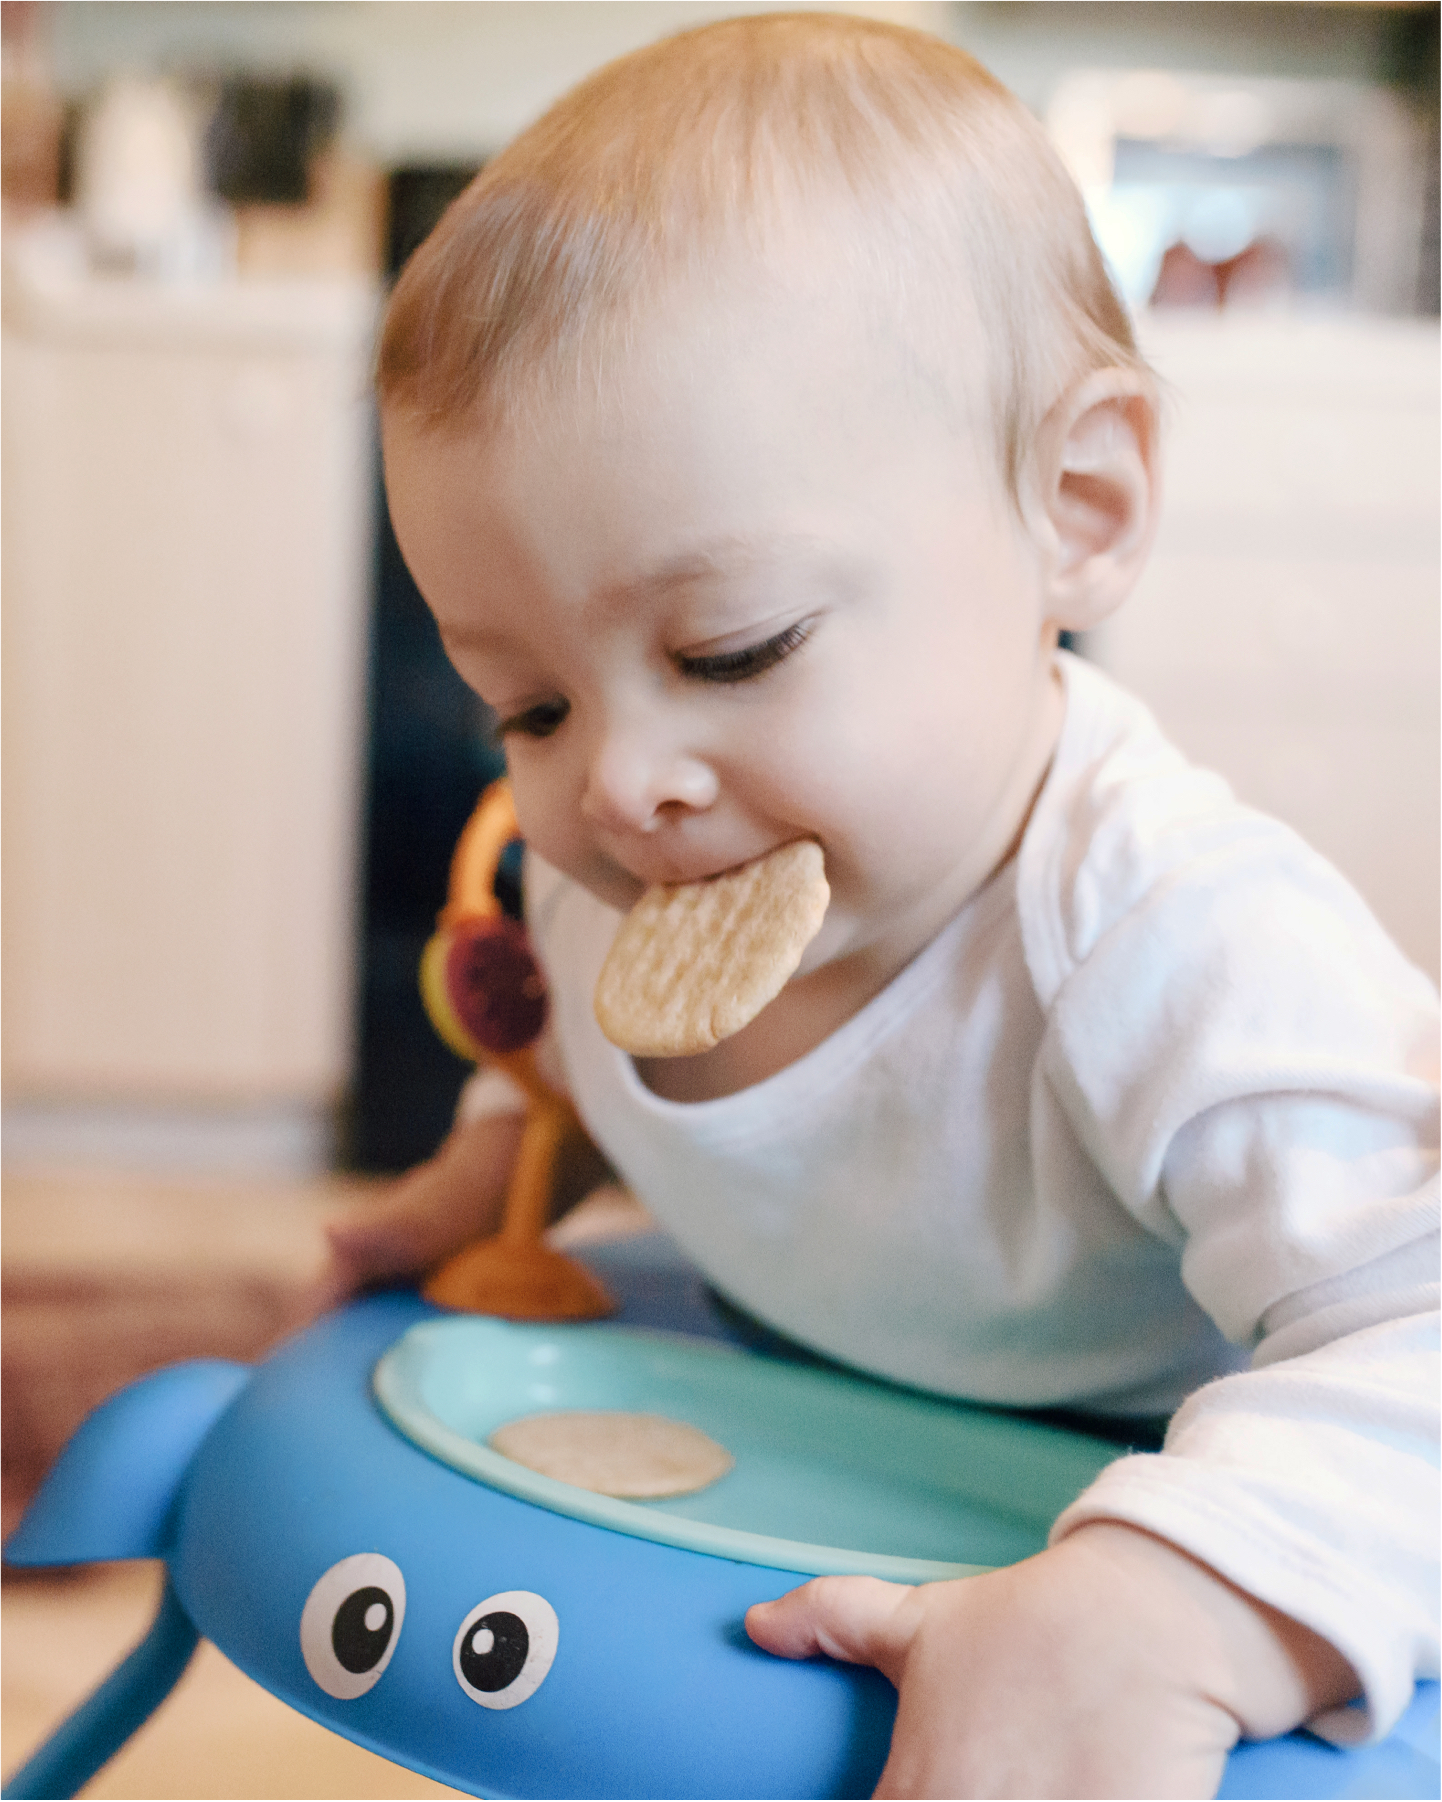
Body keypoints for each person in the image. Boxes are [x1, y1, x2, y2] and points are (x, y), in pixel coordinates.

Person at [327, 14, 1439, 1797]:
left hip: (1137, 1495)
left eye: (729, 648)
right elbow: (586, 1046)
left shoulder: (1171, 938)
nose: (612, 784)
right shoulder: (624, 866)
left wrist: (1177, 1604)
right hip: (821, 1450)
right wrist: (501, 1156)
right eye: (525, 703)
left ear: (1076, 509)